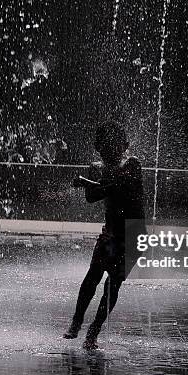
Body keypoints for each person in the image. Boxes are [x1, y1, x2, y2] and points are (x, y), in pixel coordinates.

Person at [64, 120, 146, 349]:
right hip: (110, 234)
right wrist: (89, 184)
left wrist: (85, 182)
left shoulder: (133, 163)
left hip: (132, 235)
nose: (110, 150)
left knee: (113, 284)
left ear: (124, 146)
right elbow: (92, 197)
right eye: (105, 146)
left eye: (114, 145)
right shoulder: (97, 167)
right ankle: (77, 321)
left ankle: (94, 331)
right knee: (93, 276)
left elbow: (117, 186)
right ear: (98, 148)